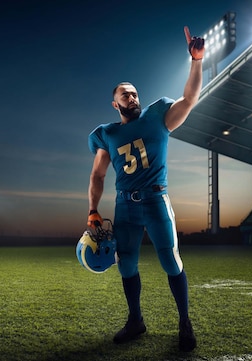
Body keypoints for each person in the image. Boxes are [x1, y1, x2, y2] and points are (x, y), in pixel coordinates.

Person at [86, 26, 204, 352]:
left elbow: (191, 98)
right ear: (114, 103)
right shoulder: (107, 133)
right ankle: (136, 320)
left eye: (135, 92)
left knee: (170, 260)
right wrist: (93, 210)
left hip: (155, 199)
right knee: (126, 264)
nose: (132, 97)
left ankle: (184, 321)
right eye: (125, 94)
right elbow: (98, 176)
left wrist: (196, 61)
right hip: (125, 206)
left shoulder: (157, 117)